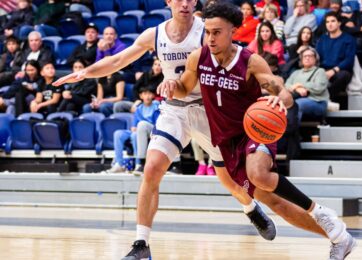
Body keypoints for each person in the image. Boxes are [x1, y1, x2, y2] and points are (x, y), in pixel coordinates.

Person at [53, 1, 324, 259]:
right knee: (152, 168)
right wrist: (84, 73)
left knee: (230, 181)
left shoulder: (207, 31)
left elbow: (236, 60)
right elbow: (117, 61)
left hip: (211, 111)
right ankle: (141, 243)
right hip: (175, 109)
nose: (185, 4)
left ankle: (250, 207)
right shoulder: (155, 34)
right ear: (168, 2)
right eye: (179, 0)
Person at [158, 1, 356, 259]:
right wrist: (173, 84)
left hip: (253, 131)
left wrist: (278, 99)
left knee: (259, 174)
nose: (210, 37)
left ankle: (319, 210)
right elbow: (185, 88)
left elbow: (285, 95)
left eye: (217, 32)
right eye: (207, 31)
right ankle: (340, 237)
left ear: (233, 32)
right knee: (277, 204)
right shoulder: (199, 56)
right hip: (226, 142)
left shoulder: (251, 62)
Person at [107, 85, 160, 174]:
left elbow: (158, 124)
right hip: (138, 130)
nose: (147, 96)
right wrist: (134, 127)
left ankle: (138, 164)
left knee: (136, 134)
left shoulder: (156, 106)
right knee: (118, 133)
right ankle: (119, 164)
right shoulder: (139, 108)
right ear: (141, 96)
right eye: (144, 94)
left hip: (150, 131)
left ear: (153, 96)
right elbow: (134, 125)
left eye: (149, 94)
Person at [316, 12, 356, 106]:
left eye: (333, 21)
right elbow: (317, 57)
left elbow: (349, 60)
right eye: (327, 22)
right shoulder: (322, 39)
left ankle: (326, 98)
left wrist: (334, 70)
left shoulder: (349, 39)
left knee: (343, 76)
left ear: (339, 23)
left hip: (340, 70)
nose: (330, 24)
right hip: (323, 69)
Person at [285, 47, 329, 122]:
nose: (307, 58)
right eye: (305, 56)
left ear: (315, 59)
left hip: (317, 102)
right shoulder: (296, 72)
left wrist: (300, 85)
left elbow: (318, 88)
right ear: (301, 59)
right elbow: (286, 85)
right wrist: (297, 88)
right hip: (298, 100)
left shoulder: (320, 71)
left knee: (297, 104)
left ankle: (291, 131)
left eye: (310, 56)